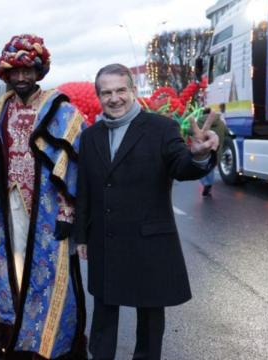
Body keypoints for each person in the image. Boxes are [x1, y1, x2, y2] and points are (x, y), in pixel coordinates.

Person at [74, 64, 219, 360]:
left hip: (149, 241)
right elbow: (85, 189)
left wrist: (200, 155)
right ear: (99, 96)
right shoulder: (90, 137)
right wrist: (81, 236)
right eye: (107, 93)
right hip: (106, 239)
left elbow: (182, 166)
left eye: (120, 90)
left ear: (133, 91)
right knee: (103, 316)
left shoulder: (161, 128)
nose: (115, 98)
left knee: (150, 322)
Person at [0, 34, 87, 359]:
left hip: (47, 209)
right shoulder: (1, 107)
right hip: (8, 210)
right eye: (15, 72)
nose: (21, 78)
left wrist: (67, 212)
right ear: (6, 74)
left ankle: (46, 338)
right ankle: (11, 333)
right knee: (10, 271)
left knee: (46, 273)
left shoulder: (59, 108)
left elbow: (73, 160)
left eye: (28, 70)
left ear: (39, 71)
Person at [199, 104, 229, 197]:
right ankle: (209, 185)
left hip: (204, 149)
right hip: (217, 149)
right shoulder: (220, 122)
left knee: (200, 168)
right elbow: (227, 133)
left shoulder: (200, 121)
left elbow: (192, 131)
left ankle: (206, 184)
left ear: (203, 113)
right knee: (211, 168)